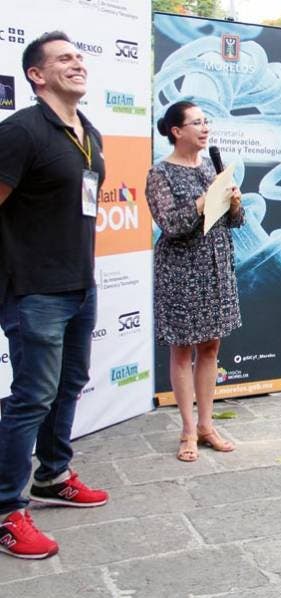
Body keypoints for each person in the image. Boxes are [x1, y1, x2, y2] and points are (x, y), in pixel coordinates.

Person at [0, 32, 109, 560]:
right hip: (33, 289)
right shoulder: (20, 131)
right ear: (36, 75)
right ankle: (5, 511)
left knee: (68, 387)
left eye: (80, 56)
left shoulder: (88, 131)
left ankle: (53, 476)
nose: (78, 63)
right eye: (64, 58)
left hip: (80, 284)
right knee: (31, 398)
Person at [148, 101, 244, 462]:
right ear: (177, 131)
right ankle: (187, 430)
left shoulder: (210, 168)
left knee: (210, 348)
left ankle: (207, 425)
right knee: (182, 349)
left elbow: (235, 222)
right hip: (181, 270)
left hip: (216, 265)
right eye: (197, 123)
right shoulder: (160, 173)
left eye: (206, 122)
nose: (205, 128)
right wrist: (205, 200)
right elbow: (171, 224)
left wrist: (234, 202)